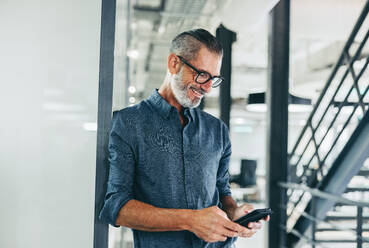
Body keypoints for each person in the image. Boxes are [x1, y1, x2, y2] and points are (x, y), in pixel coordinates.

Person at [99, 28, 268, 248]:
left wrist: (236, 212)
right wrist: (191, 220)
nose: (207, 87)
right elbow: (117, 207)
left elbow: (222, 192)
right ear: (174, 64)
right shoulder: (127, 123)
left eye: (213, 79)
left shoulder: (217, 130)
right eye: (202, 75)